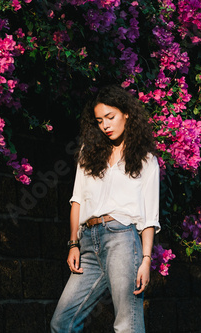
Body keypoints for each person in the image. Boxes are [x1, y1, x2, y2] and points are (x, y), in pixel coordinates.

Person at [50, 85, 161, 333]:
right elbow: (77, 200)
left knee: (127, 326)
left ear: (127, 114)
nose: (105, 125)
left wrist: (145, 259)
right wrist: (73, 244)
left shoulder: (145, 159)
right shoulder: (88, 154)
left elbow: (150, 216)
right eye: (100, 121)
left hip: (122, 240)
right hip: (88, 242)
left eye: (110, 117)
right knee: (62, 323)